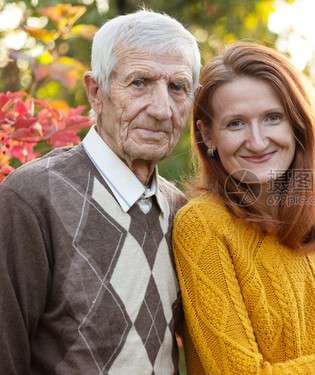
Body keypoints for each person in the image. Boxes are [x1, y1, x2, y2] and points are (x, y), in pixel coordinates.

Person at [172, 41, 315, 375]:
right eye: (236, 123)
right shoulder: (202, 225)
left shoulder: (304, 220)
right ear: (208, 135)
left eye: (272, 118)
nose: (256, 141)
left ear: (297, 125)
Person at [0, 9, 200, 374]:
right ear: (96, 92)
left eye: (177, 87)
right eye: (140, 82)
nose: (161, 109)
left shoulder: (182, 213)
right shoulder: (31, 197)